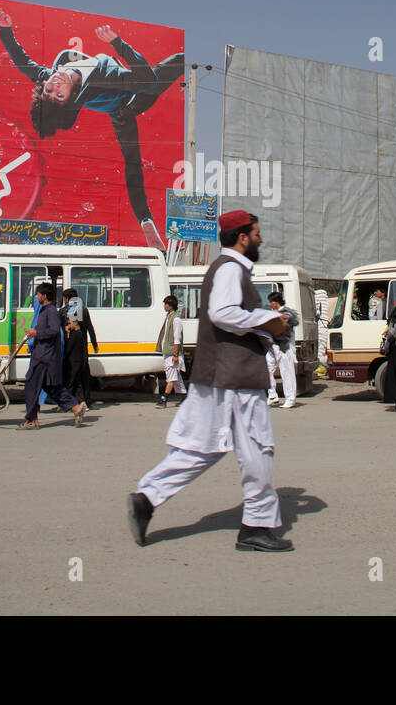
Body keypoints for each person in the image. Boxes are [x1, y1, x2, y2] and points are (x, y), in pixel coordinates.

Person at [128, 210, 295, 552]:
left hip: (221, 375)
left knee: (203, 449)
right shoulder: (232, 268)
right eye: (257, 233)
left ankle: (146, 497)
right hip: (235, 377)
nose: (261, 239)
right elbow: (222, 313)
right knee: (256, 449)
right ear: (243, 237)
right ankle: (256, 526)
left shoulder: (227, 269)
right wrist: (270, 321)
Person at [0, 11, 184, 250]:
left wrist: (5, 29)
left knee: (182, 60)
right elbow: (148, 81)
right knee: (133, 162)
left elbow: (22, 60)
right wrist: (118, 43)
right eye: (59, 94)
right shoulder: (106, 78)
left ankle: (145, 219)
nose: (54, 85)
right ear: (72, 96)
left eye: (48, 91)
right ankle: (145, 220)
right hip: (130, 105)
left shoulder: (48, 74)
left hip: (119, 102)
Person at [20, 282, 86, 429]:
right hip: (42, 354)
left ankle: (31, 419)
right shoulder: (44, 311)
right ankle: (75, 407)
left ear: (44, 296)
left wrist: (36, 333)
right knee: (51, 387)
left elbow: (55, 331)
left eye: (38, 294)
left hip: (44, 357)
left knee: (31, 385)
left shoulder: (50, 311)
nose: (36, 297)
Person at [265, 291, 299, 410]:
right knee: (266, 369)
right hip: (273, 346)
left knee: (287, 372)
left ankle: (290, 399)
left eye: (271, 302)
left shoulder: (288, 312)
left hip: (284, 346)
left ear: (275, 302)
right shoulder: (272, 313)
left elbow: (294, 321)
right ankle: (272, 395)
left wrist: (279, 318)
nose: (269, 304)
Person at [156, 294, 187, 408]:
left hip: (172, 354)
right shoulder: (169, 317)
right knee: (176, 377)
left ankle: (164, 399)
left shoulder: (176, 319)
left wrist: (175, 354)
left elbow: (177, 338)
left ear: (171, 306)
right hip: (167, 352)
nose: (164, 306)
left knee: (171, 377)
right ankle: (185, 397)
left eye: (166, 304)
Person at [63, 316, 90, 413]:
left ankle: (69, 404)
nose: (69, 325)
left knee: (70, 383)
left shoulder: (75, 334)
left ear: (75, 323)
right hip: (78, 362)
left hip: (73, 362)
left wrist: (67, 334)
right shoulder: (80, 334)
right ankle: (82, 402)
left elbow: (69, 348)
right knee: (77, 384)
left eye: (70, 323)